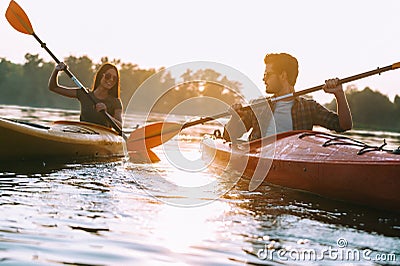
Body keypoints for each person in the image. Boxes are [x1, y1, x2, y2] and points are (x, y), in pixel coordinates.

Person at [223, 53, 352, 142]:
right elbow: (228, 137)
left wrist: (339, 94)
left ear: (283, 75)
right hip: (259, 166)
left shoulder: (309, 107)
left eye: (268, 74)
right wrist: (234, 118)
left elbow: (343, 125)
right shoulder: (258, 106)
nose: (263, 78)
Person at [48, 62, 123, 129]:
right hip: (83, 131)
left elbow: (120, 127)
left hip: (104, 137)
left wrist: (106, 114)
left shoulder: (115, 102)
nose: (111, 80)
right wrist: (56, 70)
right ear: (101, 75)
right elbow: (53, 87)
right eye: (108, 76)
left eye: (114, 78)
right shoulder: (84, 94)